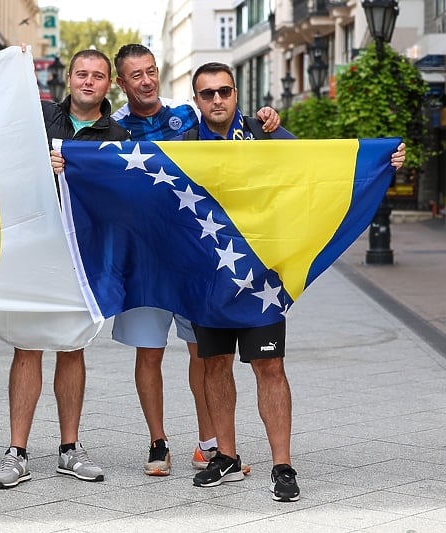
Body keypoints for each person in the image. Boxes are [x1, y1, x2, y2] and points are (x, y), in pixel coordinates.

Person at [186, 61, 406, 502]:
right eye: (207, 94)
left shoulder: (264, 133)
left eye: (224, 91)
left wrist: (383, 160)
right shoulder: (182, 145)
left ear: (236, 94)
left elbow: (318, 168)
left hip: (261, 278)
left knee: (270, 367)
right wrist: (73, 164)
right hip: (208, 278)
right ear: (197, 100)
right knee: (214, 366)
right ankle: (225, 456)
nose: (217, 100)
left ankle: (282, 465)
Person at [110, 43, 281, 477]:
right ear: (121, 82)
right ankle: (158, 443)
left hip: (195, 255)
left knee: (204, 354)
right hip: (144, 257)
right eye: (136, 75)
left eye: (151, 71)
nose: (147, 80)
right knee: (149, 352)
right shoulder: (112, 129)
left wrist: (267, 120)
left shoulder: (187, 116)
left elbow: (245, 138)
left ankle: (211, 445)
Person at [0, 49, 131, 489]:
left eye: (98, 76)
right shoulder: (38, 118)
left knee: (72, 347)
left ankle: (70, 449)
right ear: (69, 78)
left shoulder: (118, 137)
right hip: (33, 251)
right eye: (82, 74)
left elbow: (120, 201)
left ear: (109, 85)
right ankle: (17, 452)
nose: (89, 82)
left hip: (80, 255)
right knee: (27, 347)